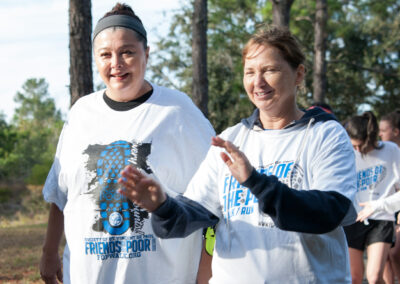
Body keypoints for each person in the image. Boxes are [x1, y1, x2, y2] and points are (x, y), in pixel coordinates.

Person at [118, 26, 357, 283]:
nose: (258, 82)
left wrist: (255, 182)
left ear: (299, 74)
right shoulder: (231, 139)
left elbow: (330, 212)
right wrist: (161, 205)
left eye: (270, 70)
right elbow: (188, 218)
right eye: (250, 72)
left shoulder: (325, 134)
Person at [39, 3, 215, 284]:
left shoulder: (178, 111)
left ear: (146, 54)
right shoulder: (80, 113)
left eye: (127, 52)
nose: (116, 64)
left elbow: (214, 201)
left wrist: (206, 273)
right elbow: (61, 193)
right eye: (105, 54)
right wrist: (49, 251)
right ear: (95, 58)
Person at [343, 111, 400, 284]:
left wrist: (378, 205)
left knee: (374, 277)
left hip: (381, 218)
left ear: (372, 138)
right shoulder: (348, 153)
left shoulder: (391, 151)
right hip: (355, 218)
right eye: (355, 146)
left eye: (362, 146)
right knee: (354, 278)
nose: (358, 150)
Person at [379, 110, 400, 284]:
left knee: (395, 252)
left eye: (383, 130)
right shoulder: (381, 153)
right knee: (384, 254)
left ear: (395, 132)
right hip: (386, 210)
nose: (379, 134)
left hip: (397, 210)